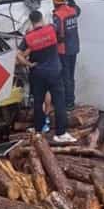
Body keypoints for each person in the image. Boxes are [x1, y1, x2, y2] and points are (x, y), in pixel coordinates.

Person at [17, 9, 75, 144]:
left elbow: (18, 55)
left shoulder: (28, 37)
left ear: (31, 22)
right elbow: (61, 34)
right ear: (42, 19)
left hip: (37, 73)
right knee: (59, 102)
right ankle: (60, 133)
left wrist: (28, 64)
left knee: (38, 102)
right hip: (55, 72)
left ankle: (38, 129)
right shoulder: (51, 29)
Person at [51, 0, 81, 109]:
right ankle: (70, 100)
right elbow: (78, 10)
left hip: (63, 50)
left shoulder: (57, 16)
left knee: (65, 76)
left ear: (55, 3)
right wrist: (73, 3)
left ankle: (68, 102)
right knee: (71, 75)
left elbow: (55, 32)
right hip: (74, 47)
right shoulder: (72, 11)